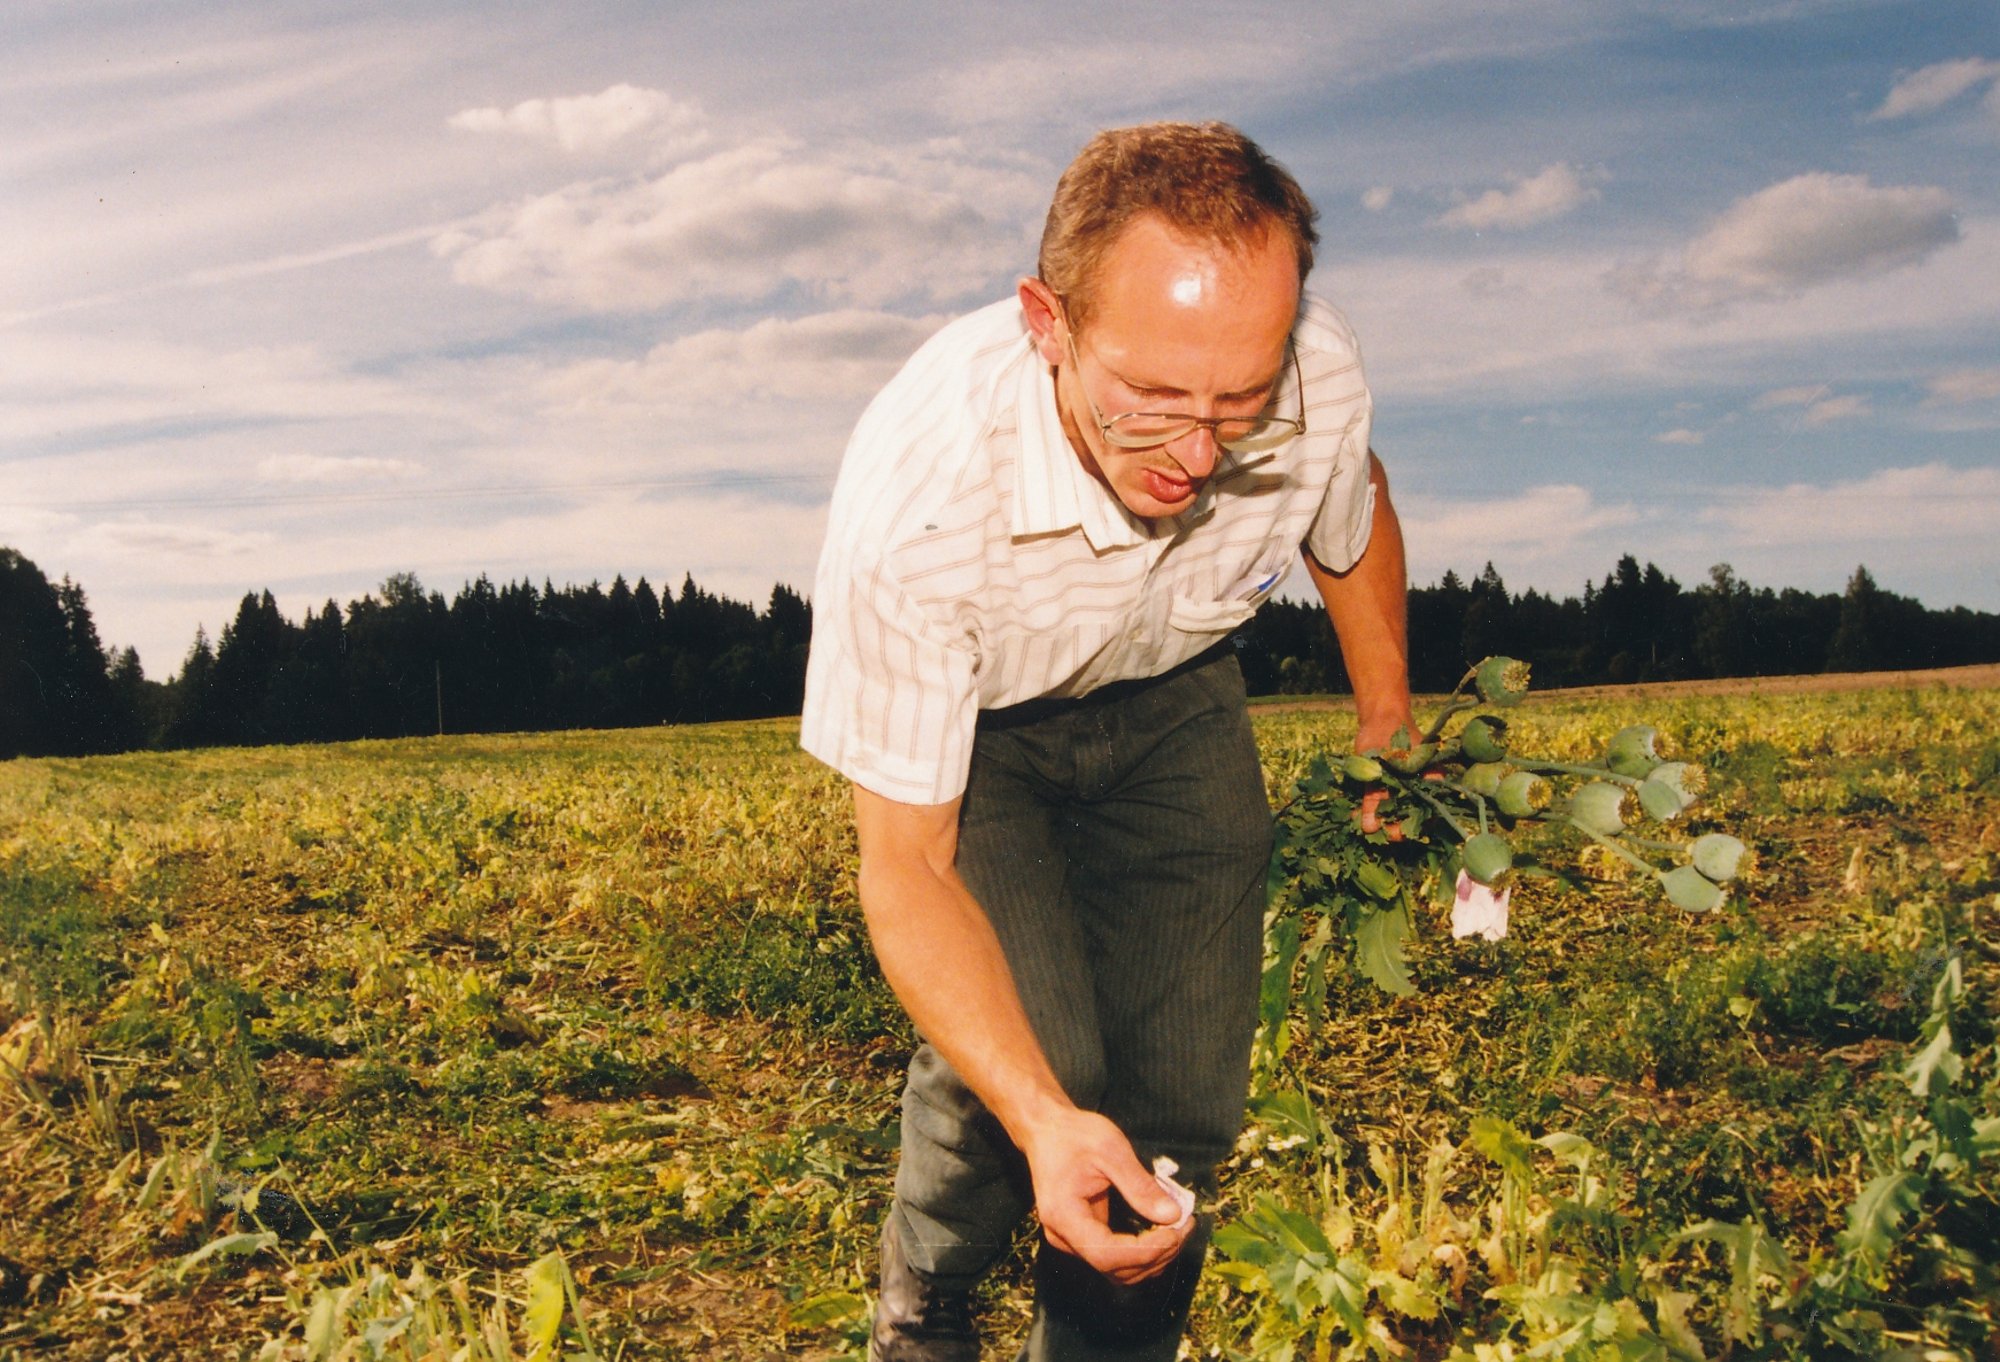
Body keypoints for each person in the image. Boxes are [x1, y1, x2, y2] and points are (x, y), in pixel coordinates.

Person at [800, 121, 1414, 1361]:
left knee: (1187, 1090)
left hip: (1176, 698)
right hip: (988, 740)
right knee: (1039, 1065)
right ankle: (929, 1284)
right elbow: (904, 868)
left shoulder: (1315, 377)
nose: (1197, 454)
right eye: (1150, 403)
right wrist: (1039, 1113)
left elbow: (1349, 511)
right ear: (1049, 322)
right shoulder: (922, 497)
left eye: (1238, 403)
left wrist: (1385, 718)